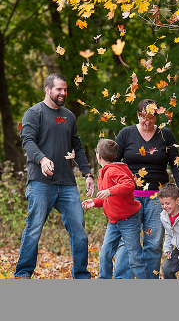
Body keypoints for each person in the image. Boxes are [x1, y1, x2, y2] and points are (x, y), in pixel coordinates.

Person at [15, 73, 95, 279]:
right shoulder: (34, 113)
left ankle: (81, 275)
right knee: (34, 229)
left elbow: (76, 145)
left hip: (67, 183)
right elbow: (28, 142)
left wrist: (87, 173)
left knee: (79, 232)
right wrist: (42, 159)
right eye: (59, 89)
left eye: (65, 89)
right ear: (47, 89)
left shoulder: (69, 115)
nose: (63, 93)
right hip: (41, 183)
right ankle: (23, 274)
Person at [112, 99, 179, 279]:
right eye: (143, 117)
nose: (147, 122)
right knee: (126, 242)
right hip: (129, 197)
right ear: (138, 115)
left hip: (157, 198)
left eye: (151, 118)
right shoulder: (126, 134)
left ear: (157, 116)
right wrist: (112, 189)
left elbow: (175, 163)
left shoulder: (165, 135)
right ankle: (122, 279)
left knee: (153, 243)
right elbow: (115, 163)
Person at [82, 139, 145, 279]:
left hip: (129, 220)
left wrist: (110, 191)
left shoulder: (113, 171)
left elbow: (129, 185)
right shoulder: (103, 172)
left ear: (98, 156)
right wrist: (95, 202)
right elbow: (108, 198)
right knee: (104, 254)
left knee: (135, 256)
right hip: (113, 222)